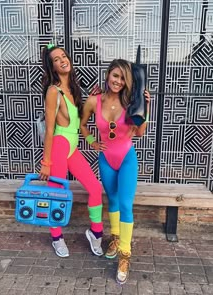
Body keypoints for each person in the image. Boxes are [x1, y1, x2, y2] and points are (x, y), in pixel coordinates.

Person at [80, 59, 150, 284]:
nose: (118, 81)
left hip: (127, 158)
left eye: (122, 78)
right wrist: (91, 141)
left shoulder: (131, 101)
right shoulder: (94, 100)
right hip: (106, 159)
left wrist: (145, 108)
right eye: (115, 76)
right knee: (112, 201)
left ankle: (125, 254)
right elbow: (82, 124)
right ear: (108, 74)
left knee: (126, 204)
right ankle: (116, 238)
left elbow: (139, 134)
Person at [39, 44, 104, 258]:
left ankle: (96, 233)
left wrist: (93, 98)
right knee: (56, 194)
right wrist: (46, 162)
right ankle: (57, 238)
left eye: (64, 56)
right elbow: (50, 129)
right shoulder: (53, 91)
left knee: (95, 188)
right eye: (56, 59)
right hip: (58, 147)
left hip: (72, 148)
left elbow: (78, 119)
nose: (62, 60)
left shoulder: (73, 90)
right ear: (52, 67)